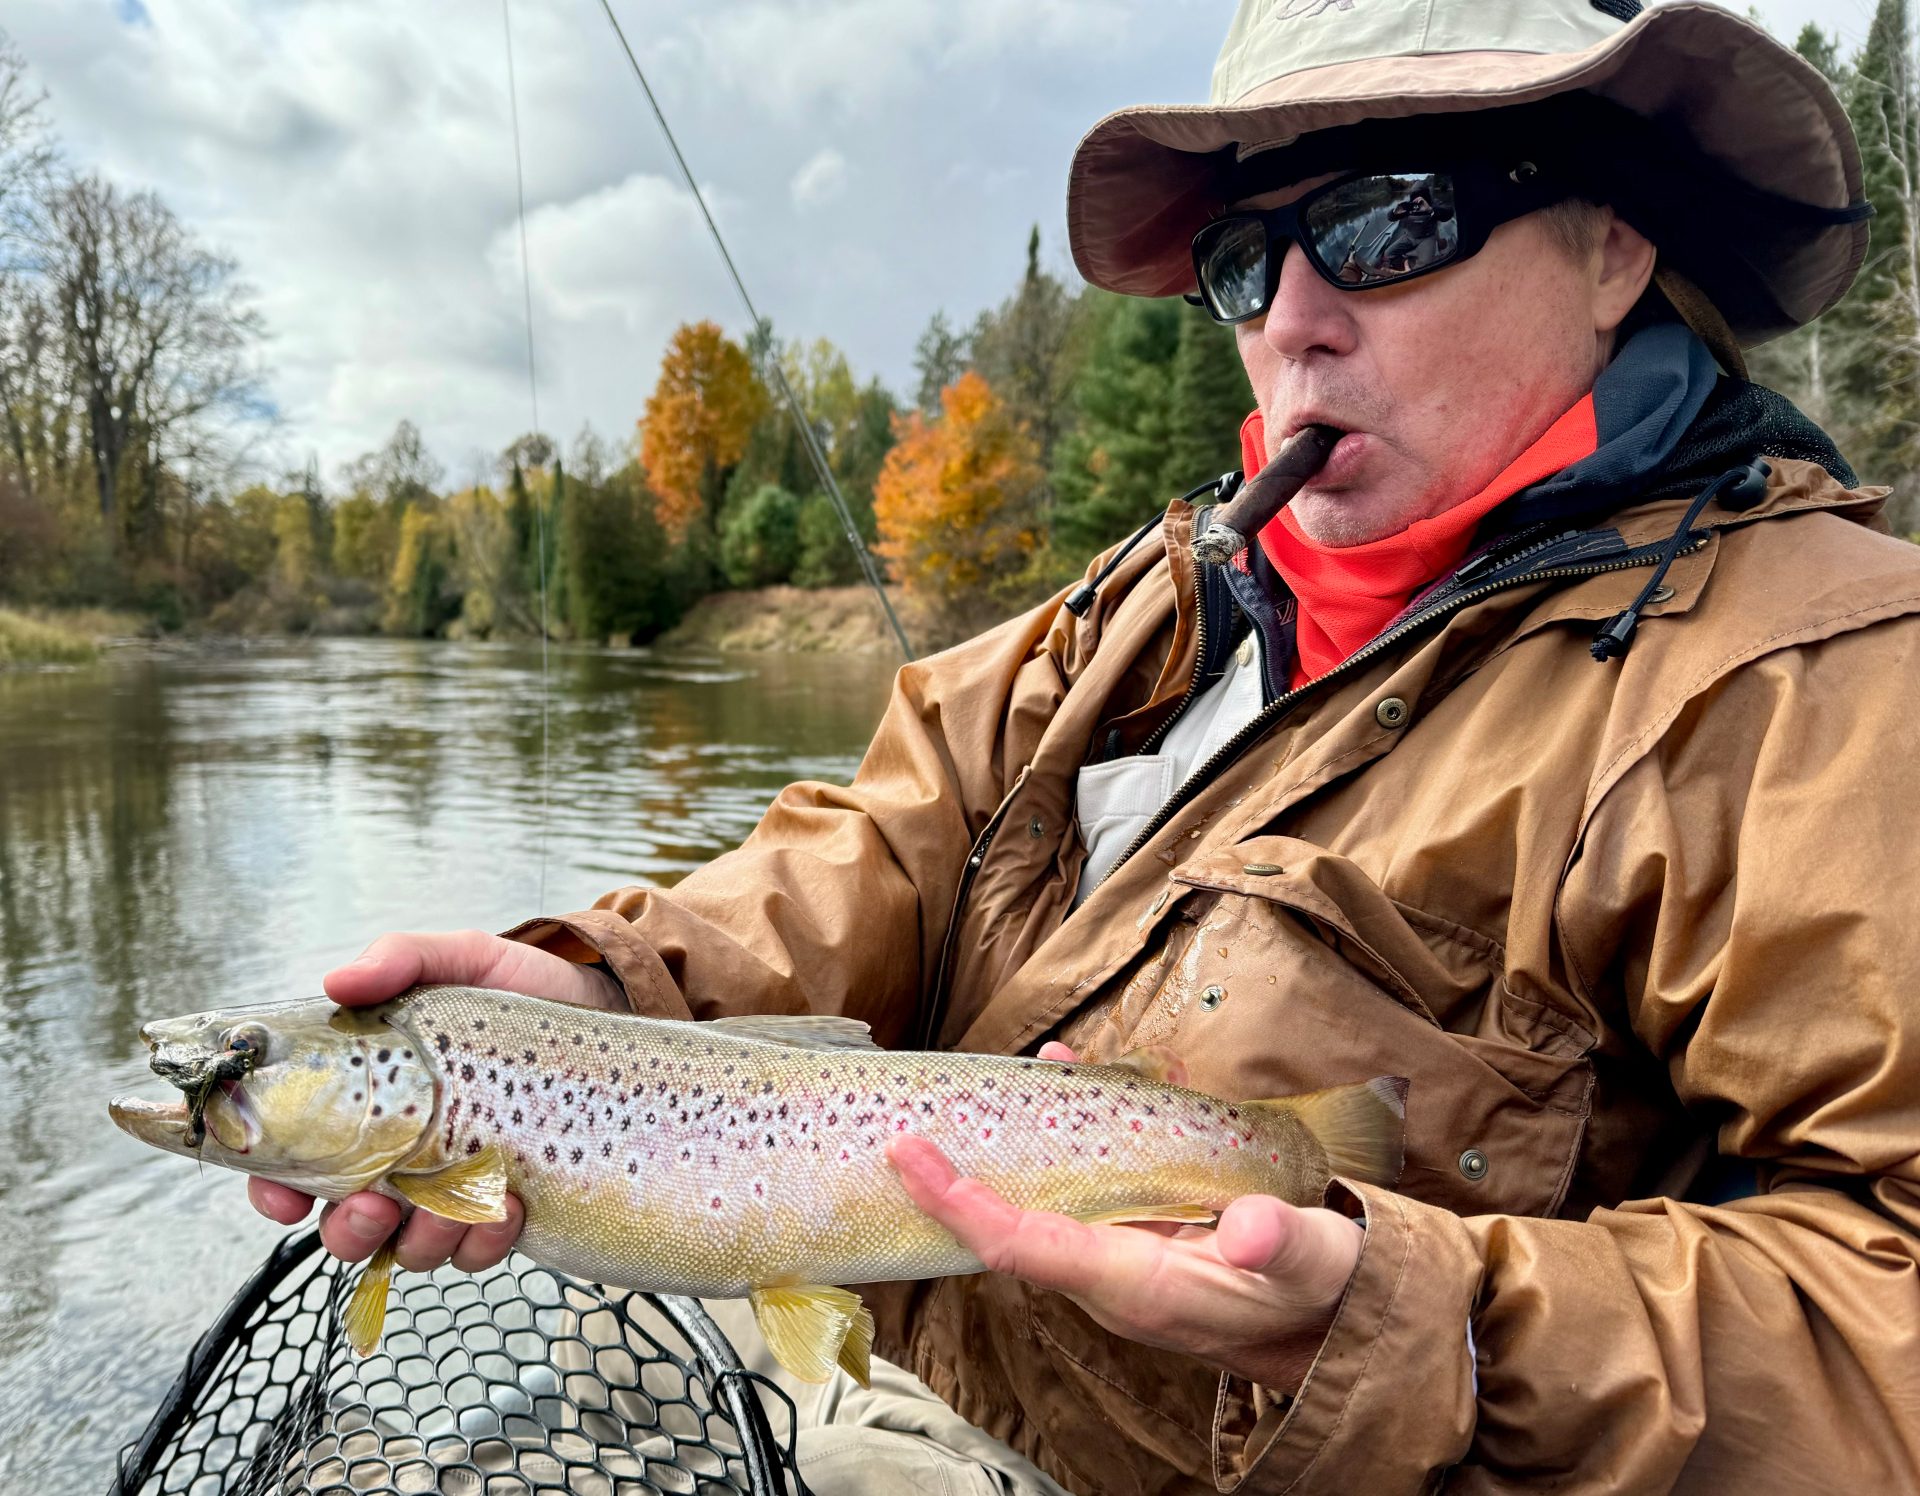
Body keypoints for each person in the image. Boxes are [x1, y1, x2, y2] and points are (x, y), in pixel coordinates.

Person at [251, 1, 1920, 1491]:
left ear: (1613, 247)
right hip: (911, 1377)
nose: (1297, 320)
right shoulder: (1163, 589)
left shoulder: (1826, 680)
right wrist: (611, 991)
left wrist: (1417, 1323)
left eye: (1386, 223)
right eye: (1247, 263)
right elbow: (883, 838)